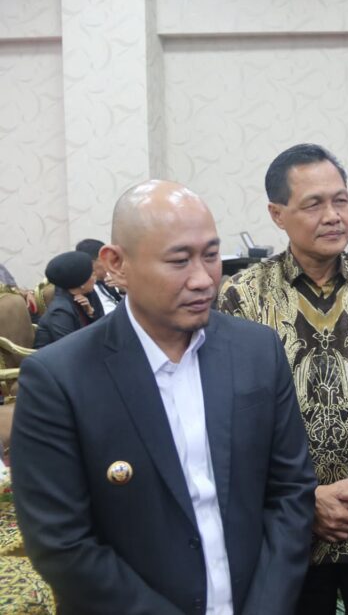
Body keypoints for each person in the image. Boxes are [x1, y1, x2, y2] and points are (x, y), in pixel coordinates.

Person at [11, 180, 318, 614]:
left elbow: (291, 492)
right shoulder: (60, 378)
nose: (203, 279)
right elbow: (61, 542)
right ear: (117, 264)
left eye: (210, 256)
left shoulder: (257, 350)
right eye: (179, 260)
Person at [219, 143, 348, 615]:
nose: (333, 216)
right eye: (314, 204)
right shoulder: (242, 298)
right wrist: (306, 500)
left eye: (341, 200)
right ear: (277, 214)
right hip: (284, 530)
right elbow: (232, 418)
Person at [32, 251, 99, 348]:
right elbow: (70, 348)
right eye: (92, 274)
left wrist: (90, 313)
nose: (95, 277)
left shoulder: (79, 300)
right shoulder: (60, 311)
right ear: (81, 282)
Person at [76, 237, 124, 314]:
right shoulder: (85, 290)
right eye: (105, 260)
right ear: (92, 263)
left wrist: (122, 290)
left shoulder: (107, 282)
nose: (110, 264)